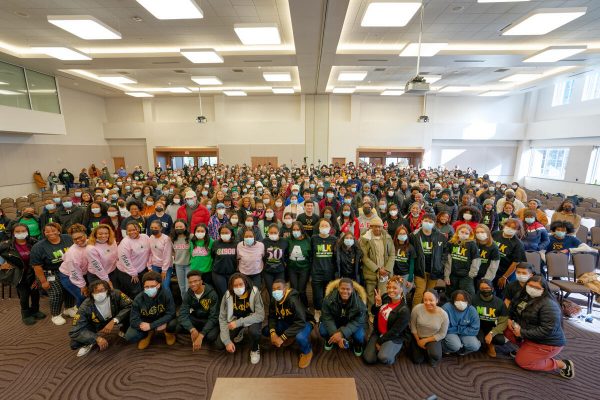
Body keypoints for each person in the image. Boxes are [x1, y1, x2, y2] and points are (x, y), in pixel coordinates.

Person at [507, 275, 574, 379]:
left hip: (547, 343)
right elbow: (512, 309)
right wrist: (509, 319)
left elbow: (547, 330)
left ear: (544, 289)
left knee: (522, 361)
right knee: (506, 329)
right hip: (529, 333)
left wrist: (522, 333)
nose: (532, 289)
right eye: (530, 285)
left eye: (537, 288)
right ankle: (526, 349)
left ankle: (562, 364)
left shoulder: (549, 305)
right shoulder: (523, 295)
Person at [69, 280, 132, 357]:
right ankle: (89, 342)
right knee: (74, 343)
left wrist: (114, 320)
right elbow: (75, 331)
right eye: (96, 292)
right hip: (96, 324)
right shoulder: (85, 307)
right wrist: (96, 338)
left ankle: (124, 329)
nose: (99, 294)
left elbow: (130, 305)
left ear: (107, 290)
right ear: (91, 293)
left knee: (133, 312)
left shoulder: (116, 293)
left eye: (102, 290)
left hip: (114, 316)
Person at [30, 222, 75, 325]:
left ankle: (69, 308)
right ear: (44, 233)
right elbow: (37, 267)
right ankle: (56, 315)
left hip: (68, 270)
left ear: (59, 231)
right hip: (49, 273)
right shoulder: (38, 247)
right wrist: (43, 281)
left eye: (53, 230)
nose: (51, 233)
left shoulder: (67, 238)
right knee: (57, 293)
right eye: (47, 231)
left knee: (70, 288)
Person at [0, 223, 45, 325]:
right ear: (13, 233)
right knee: (24, 295)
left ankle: (35, 310)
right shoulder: (6, 245)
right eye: (17, 231)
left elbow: (42, 254)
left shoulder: (34, 242)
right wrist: (1, 265)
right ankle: (26, 314)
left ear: (27, 232)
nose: (21, 233)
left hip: (33, 273)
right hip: (19, 274)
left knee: (35, 293)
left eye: (23, 231)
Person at [218, 273, 265, 364]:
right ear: (231, 287)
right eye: (235, 285)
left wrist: (238, 323)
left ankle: (255, 349)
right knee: (219, 344)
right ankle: (241, 331)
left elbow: (260, 315)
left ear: (245, 284)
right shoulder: (227, 295)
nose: (238, 287)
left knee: (254, 332)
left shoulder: (254, 292)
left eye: (241, 284)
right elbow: (222, 318)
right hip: (234, 320)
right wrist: (227, 341)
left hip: (251, 319)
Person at [266, 280, 313, 368]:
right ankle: (290, 336)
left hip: (305, 322)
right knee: (266, 330)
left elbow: (301, 322)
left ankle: (307, 351)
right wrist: (273, 333)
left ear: (285, 289)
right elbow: (272, 316)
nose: (276, 291)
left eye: (278, 288)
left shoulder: (293, 300)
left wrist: (282, 337)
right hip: (289, 321)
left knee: (300, 337)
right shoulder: (274, 299)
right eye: (273, 289)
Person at [363, 276, 410, 365]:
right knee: (368, 359)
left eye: (394, 288)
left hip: (393, 337)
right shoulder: (385, 297)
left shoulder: (404, 310)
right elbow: (373, 312)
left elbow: (395, 332)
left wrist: (380, 342)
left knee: (383, 358)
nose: (390, 290)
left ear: (401, 290)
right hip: (378, 333)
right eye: (388, 287)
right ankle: (384, 348)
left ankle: (393, 351)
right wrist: (378, 303)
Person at [125, 270, 176, 349]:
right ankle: (148, 334)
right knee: (130, 336)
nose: (149, 289)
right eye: (146, 287)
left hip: (162, 319)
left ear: (159, 285)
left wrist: (153, 325)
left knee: (174, 323)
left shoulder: (166, 294)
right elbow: (133, 320)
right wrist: (150, 326)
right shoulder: (138, 299)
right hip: (146, 321)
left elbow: (171, 313)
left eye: (152, 286)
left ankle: (168, 333)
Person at [170, 270, 220, 351]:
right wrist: (191, 329)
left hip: (207, 320)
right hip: (195, 318)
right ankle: (195, 332)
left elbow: (214, 317)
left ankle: (200, 334)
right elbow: (183, 314)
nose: (193, 284)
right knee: (174, 325)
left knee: (211, 337)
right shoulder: (188, 294)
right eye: (190, 282)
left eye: (196, 281)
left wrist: (201, 335)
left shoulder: (212, 294)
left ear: (201, 281)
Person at [320, 278, 367, 356]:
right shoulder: (328, 299)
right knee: (323, 331)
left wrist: (342, 333)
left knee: (360, 337)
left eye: (348, 289)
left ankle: (357, 344)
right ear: (338, 288)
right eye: (342, 288)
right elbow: (327, 317)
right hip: (335, 321)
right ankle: (330, 339)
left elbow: (358, 321)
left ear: (352, 289)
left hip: (351, 322)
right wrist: (338, 337)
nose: (345, 291)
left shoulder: (359, 303)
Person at [410, 214, 448, 309]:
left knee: (429, 293)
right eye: (426, 221)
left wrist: (440, 265)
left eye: (431, 222)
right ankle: (415, 312)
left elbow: (445, 252)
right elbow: (410, 252)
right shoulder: (414, 235)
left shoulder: (440, 236)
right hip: (420, 270)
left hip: (434, 270)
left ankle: (426, 311)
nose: (428, 223)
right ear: (421, 221)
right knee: (419, 292)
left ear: (434, 223)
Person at [359, 216, 395, 311]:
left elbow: (392, 254)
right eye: (375, 226)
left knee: (383, 294)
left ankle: (382, 312)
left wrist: (387, 269)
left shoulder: (387, 237)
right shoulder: (365, 239)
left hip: (385, 273)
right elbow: (364, 257)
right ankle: (372, 313)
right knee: (371, 295)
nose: (377, 228)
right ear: (371, 227)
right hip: (371, 272)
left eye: (379, 226)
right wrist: (377, 269)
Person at [409, 290, 449, 367]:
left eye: (431, 300)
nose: (427, 303)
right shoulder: (417, 309)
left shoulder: (443, 314)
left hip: (432, 338)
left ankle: (430, 351)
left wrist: (425, 341)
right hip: (417, 336)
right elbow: (413, 326)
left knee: (436, 356)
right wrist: (418, 341)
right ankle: (423, 350)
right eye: (425, 300)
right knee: (417, 360)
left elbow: (442, 334)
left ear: (437, 300)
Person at [113, 222, 152, 299]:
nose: (131, 232)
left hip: (142, 270)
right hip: (127, 273)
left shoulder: (145, 237)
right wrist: (133, 273)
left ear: (138, 229)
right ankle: (135, 309)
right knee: (135, 292)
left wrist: (149, 266)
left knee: (143, 290)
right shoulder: (125, 242)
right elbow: (124, 259)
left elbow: (150, 252)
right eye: (129, 231)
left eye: (134, 229)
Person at [472, 279, 509, 357]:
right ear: (479, 289)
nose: (485, 290)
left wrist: (492, 333)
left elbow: (503, 322)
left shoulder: (499, 302)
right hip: (477, 326)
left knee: (500, 340)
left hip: (491, 327)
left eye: (487, 288)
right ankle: (485, 343)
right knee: (479, 341)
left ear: (492, 289)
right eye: (482, 288)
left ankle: (490, 344)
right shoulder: (473, 299)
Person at [310, 218, 338, 321]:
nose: (324, 228)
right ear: (318, 227)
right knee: (317, 295)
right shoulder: (314, 238)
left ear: (330, 228)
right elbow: (311, 255)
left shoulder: (334, 239)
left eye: (326, 226)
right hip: (316, 272)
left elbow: (336, 257)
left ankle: (327, 312)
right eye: (322, 226)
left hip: (329, 272)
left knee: (328, 295)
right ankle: (317, 311)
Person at [444, 224, 481, 297]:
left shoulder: (472, 244)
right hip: (452, 275)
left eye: (466, 233)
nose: (464, 234)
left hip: (466, 276)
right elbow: (447, 261)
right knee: (450, 295)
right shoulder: (451, 243)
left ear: (470, 234)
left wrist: (471, 274)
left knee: (468, 295)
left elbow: (476, 260)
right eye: (462, 232)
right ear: (457, 232)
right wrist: (446, 275)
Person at [492, 218, 526, 295]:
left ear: (517, 230)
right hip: (491, 269)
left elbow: (515, 263)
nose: (510, 229)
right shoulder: (495, 234)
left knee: (500, 294)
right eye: (508, 226)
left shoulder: (518, 244)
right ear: (504, 225)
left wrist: (504, 277)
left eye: (514, 228)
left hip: (503, 272)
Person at [58, 224, 89, 307]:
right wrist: (82, 286)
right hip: (68, 275)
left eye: (81, 237)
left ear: (85, 235)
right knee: (82, 296)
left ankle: (78, 309)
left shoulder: (90, 243)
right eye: (75, 239)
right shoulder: (72, 253)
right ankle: (80, 315)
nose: (79, 240)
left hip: (83, 273)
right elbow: (74, 272)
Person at [441, 290, 481, 355]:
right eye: (457, 300)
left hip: (463, 332)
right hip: (450, 332)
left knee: (475, 346)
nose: (461, 303)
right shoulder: (446, 308)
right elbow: (443, 328)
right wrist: (462, 329)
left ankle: (461, 351)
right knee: (455, 346)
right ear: (453, 300)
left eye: (463, 300)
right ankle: (445, 348)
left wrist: (457, 329)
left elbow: (475, 330)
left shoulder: (472, 310)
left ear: (468, 301)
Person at [288, 221, 312, 307]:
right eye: (294, 229)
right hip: (292, 269)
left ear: (302, 230)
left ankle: (305, 307)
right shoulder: (289, 240)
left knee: (301, 290)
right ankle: (294, 307)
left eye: (298, 229)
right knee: (293, 289)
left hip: (304, 269)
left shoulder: (308, 240)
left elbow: (311, 255)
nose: (295, 231)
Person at [211, 225, 238, 299]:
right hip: (218, 273)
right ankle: (224, 309)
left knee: (232, 293)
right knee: (224, 294)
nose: (224, 234)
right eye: (222, 233)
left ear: (231, 233)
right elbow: (213, 256)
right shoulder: (215, 243)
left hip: (232, 273)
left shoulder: (236, 244)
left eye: (226, 232)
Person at [148, 220, 173, 295]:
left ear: (161, 228)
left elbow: (167, 255)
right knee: (154, 286)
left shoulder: (166, 239)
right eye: (152, 227)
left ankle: (169, 304)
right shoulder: (151, 237)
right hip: (155, 265)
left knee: (165, 287)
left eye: (156, 227)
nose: (153, 229)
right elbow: (150, 253)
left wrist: (164, 270)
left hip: (166, 267)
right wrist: (149, 266)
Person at [262, 224, 288, 294]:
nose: (273, 234)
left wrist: (285, 263)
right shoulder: (264, 242)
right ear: (268, 233)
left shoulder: (284, 241)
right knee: (271, 292)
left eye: (275, 233)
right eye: (271, 233)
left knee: (279, 292)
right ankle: (272, 304)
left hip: (280, 271)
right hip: (268, 271)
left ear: (279, 232)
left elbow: (287, 254)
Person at [392, 225, 416, 297]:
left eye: (404, 234)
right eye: (400, 234)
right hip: (395, 275)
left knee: (402, 295)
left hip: (406, 275)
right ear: (396, 235)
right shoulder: (393, 246)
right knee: (395, 294)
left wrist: (410, 279)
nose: (402, 235)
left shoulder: (410, 247)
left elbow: (412, 264)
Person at [473, 224, 500, 288]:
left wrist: (486, 279)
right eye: (477, 232)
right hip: (472, 275)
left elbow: (493, 266)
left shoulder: (494, 247)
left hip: (484, 276)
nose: (480, 234)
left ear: (487, 233)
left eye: (482, 232)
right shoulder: (473, 244)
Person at [171, 219, 191, 295]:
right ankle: (185, 305)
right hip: (178, 266)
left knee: (188, 287)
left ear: (185, 227)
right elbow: (172, 251)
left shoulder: (190, 237)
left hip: (189, 265)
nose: (179, 228)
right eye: (177, 227)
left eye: (181, 226)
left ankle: (190, 305)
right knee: (182, 288)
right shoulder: (173, 238)